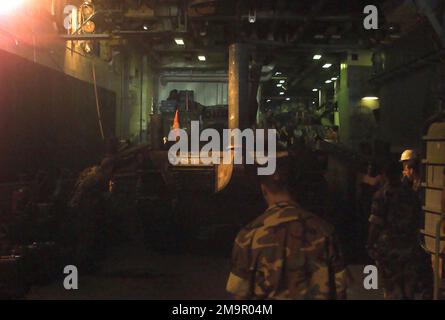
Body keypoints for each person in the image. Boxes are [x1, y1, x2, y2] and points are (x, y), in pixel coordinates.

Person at [226, 150, 347, 300]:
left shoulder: (248, 236)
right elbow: (340, 292)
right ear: (296, 186)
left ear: (263, 188)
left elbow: (239, 299)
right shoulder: (326, 232)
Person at [367, 161, 431, 299]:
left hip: (388, 249)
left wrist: (370, 243)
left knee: (391, 289)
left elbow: (376, 223)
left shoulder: (382, 195)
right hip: (409, 247)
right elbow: (418, 220)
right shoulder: (411, 195)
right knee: (408, 289)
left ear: (385, 174)